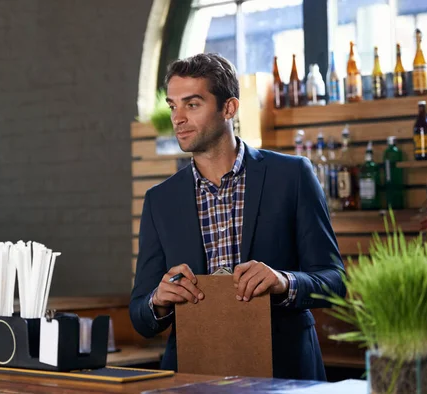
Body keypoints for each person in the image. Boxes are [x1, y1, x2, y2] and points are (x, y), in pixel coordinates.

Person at [129, 53, 346, 381]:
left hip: (285, 373)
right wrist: (158, 301)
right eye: (173, 106)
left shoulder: (292, 176)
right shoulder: (160, 200)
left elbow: (335, 281)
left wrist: (284, 282)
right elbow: (139, 313)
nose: (178, 118)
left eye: (192, 104)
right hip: (193, 374)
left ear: (228, 108)